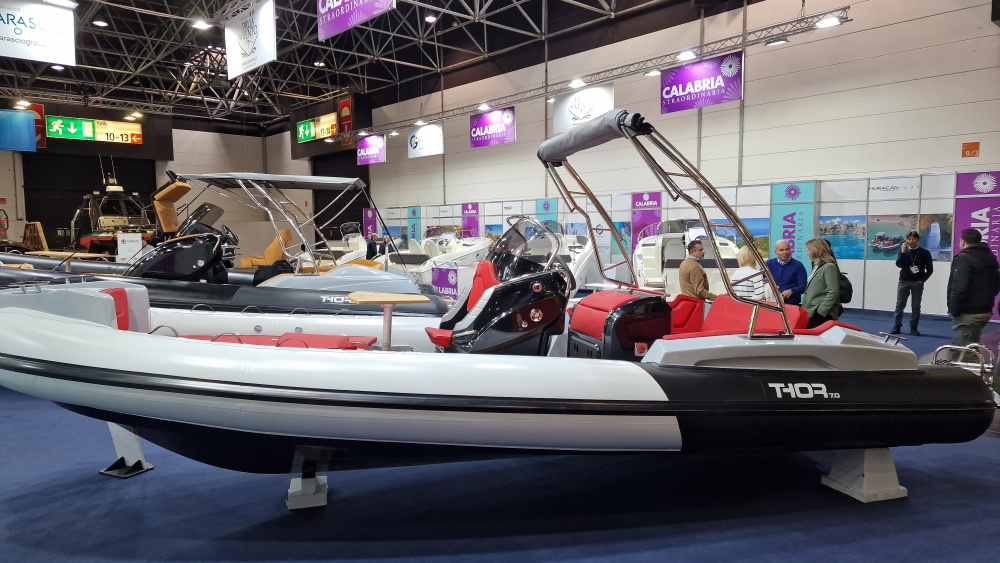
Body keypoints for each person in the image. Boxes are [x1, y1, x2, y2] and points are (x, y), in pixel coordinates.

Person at [947, 228, 1000, 349]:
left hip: (968, 313)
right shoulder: (991, 258)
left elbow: (959, 287)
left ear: (963, 241)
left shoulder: (963, 258)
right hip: (985, 310)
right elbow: (996, 285)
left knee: (964, 352)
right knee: (971, 347)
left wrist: (953, 309)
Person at [891, 230, 933, 336]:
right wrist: (903, 252)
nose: (911, 241)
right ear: (906, 240)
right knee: (899, 305)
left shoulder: (925, 252)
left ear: (918, 240)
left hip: (917, 283)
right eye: (909, 239)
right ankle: (897, 326)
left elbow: (930, 270)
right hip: (903, 281)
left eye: (914, 239)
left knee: (916, 306)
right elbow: (899, 264)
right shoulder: (903, 251)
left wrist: (921, 281)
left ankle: (913, 327)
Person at [802, 238, 842, 328]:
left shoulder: (829, 267)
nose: (807, 253)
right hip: (812, 311)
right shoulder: (816, 266)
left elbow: (833, 292)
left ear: (816, 250)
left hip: (820, 313)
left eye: (808, 250)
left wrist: (821, 311)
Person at [765, 239, 807, 305]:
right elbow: (761, 280)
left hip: (791, 304)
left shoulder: (798, 265)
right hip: (772, 304)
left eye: (787, 249)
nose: (785, 252)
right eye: (781, 250)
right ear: (775, 252)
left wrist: (792, 291)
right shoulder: (768, 264)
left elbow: (803, 286)